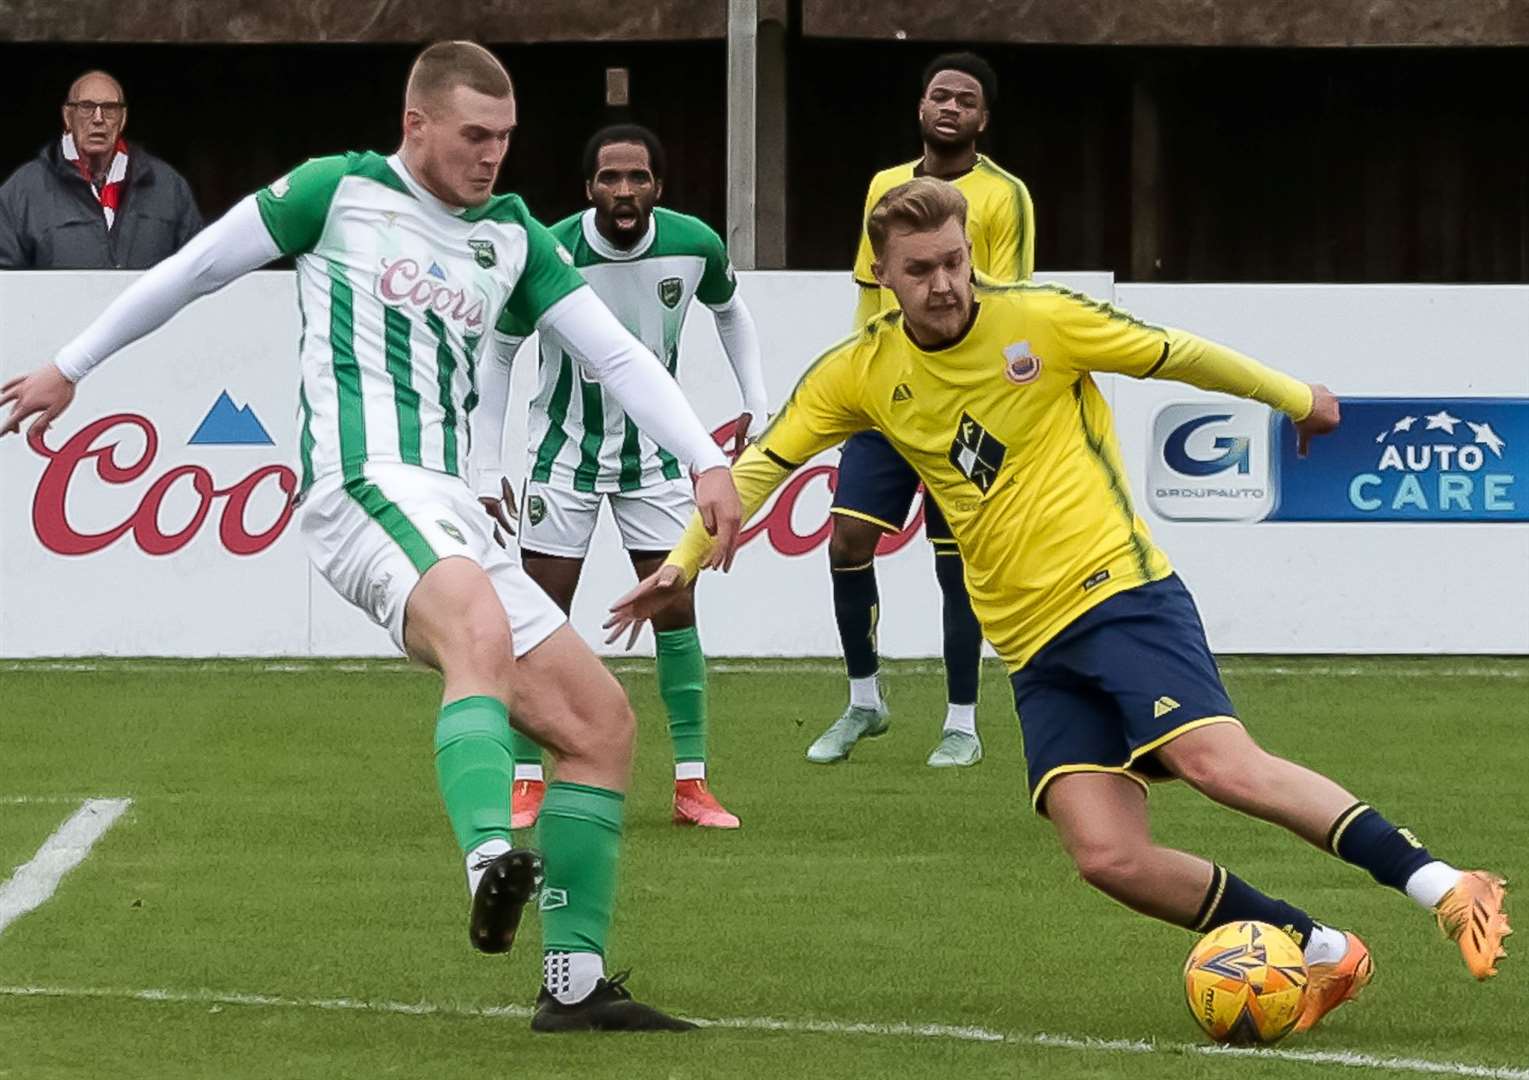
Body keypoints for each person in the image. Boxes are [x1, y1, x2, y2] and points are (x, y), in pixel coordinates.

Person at [610, 177, 1511, 1031]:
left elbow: (1176, 352)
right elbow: (764, 462)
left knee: (1216, 762)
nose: (944, 284)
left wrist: (1295, 397)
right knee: (1107, 857)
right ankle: (1321, 950)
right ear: (880, 275)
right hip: (1031, 648)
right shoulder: (858, 371)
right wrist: (684, 563)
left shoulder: (1038, 321)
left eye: (955, 261)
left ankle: (1443, 885)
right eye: (919, 269)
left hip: (1118, 595)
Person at [0, 41, 741, 1033]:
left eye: (505, 138)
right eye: (474, 136)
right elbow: (191, 269)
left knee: (600, 726)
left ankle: (572, 983)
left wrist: (703, 456)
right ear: (418, 125)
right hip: (358, 488)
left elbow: (611, 352)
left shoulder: (514, 234)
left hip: (447, 510)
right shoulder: (336, 192)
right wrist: (70, 364)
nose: (491, 156)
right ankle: (490, 858)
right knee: (474, 631)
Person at [476, 124, 765, 831]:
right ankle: (525, 780)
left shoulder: (694, 244)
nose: (624, 191)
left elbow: (731, 313)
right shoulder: (548, 250)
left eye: (637, 177)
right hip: (561, 459)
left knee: (677, 610)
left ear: (657, 187)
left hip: (658, 463)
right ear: (588, 189)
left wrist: (755, 398)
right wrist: (487, 466)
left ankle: (691, 786)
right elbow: (499, 353)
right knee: (535, 617)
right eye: (610, 178)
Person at [817, 51, 1034, 769]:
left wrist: (1002, 401)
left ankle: (962, 722)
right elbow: (867, 288)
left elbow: (1012, 304)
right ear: (920, 107)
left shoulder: (1005, 196)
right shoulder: (885, 186)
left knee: (959, 565)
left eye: (963, 100)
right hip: (887, 403)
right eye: (938, 96)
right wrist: (858, 380)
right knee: (848, 540)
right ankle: (863, 701)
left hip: (965, 407)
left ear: (982, 118)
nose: (948, 108)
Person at [0, 70, 202, 269]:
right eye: (86, 107)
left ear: (122, 119)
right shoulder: (22, 191)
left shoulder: (168, 187)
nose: (98, 118)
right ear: (68, 116)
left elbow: (196, 271)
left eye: (110, 108)